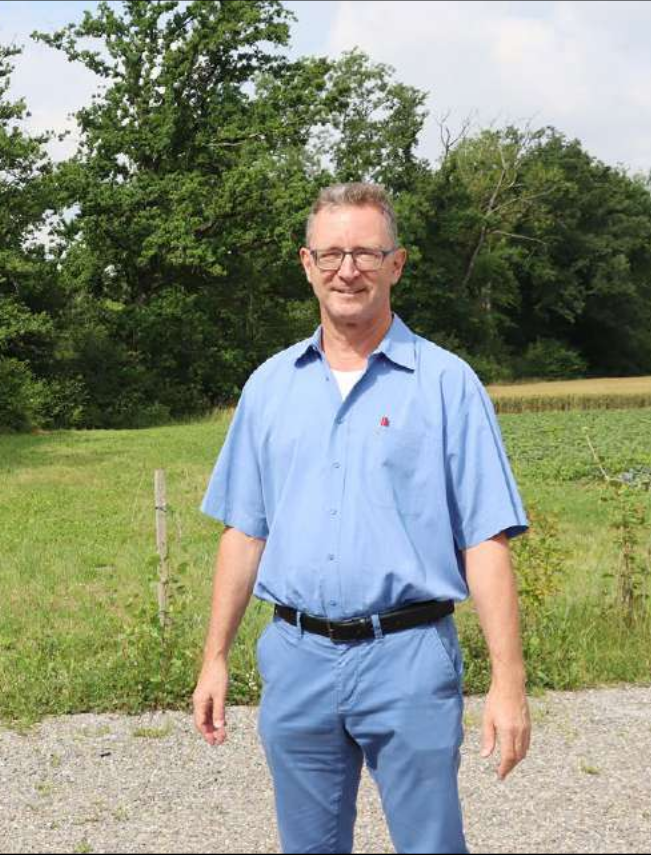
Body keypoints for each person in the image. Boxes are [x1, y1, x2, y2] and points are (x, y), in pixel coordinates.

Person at [191, 182, 531, 854]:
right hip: (297, 659)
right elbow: (245, 531)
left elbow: (486, 540)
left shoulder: (447, 384)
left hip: (408, 657)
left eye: (367, 254)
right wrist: (215, 657)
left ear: (396, 264)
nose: (349, 269)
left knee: (431, 844)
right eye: (332, 253)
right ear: (306, 263)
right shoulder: (269, 386)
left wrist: (509, 681)